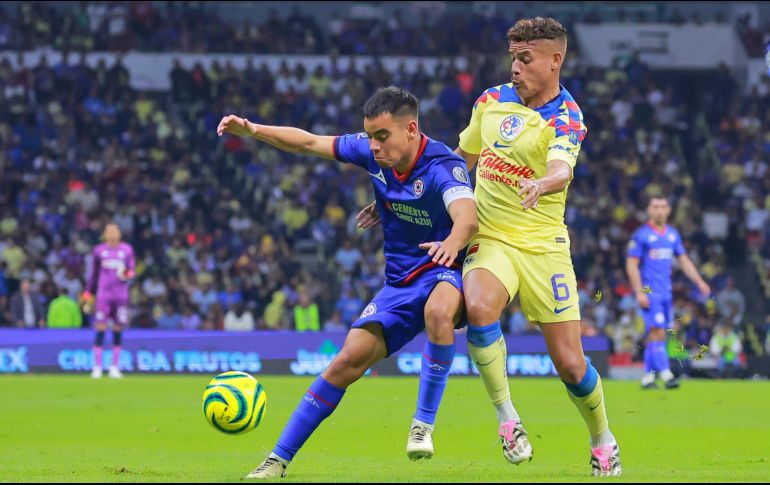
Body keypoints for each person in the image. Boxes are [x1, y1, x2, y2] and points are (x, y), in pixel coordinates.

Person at [357, 17, 619, 477]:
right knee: (478, 306)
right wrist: (404, 192)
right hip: (491, 233)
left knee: (571, 364)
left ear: (555, 60)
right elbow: (460, 162)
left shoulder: (566, 117)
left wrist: (543, 182)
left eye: (526, 59)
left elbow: (563, 170)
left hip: (543, 245)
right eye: (513, 58)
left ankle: (602, 438)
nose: (515, 67)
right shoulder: (491, 101)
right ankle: (507, 419)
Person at [217, 86, 477, 479]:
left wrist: (451, 245)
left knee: (438, 311)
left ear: (411, 129)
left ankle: (422, 424)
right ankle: (277, 461)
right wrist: (252, 130)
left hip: (445, 269)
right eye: (369, 136)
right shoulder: (371, 152)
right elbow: (307, 142)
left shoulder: (442, 165)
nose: (373, 146)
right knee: (344, 362)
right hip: (399, 281)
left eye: (382, 136)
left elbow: (467, 218)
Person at [626, 196, 711, 390]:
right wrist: (639, 292)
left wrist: (699, 281)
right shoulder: (641, 235)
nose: (659, 210)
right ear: (649, 210)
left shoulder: (672, 235)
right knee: (656, 331)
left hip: (666, 293)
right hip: (650, 292)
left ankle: (648, 377)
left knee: (657, 334)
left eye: (663, 207)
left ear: (669, 210)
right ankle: (666, 374)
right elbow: (632, 265)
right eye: (655, 206)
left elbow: (684, 260)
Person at [81, 223, 135, 379]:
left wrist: (126, 274)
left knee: (118, 328)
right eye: (108, 231)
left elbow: (132, 271)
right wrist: (87, 292)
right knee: (100, 327)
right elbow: (94, 274)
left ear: (119, 234)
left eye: (114, 231)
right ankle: (97, 367)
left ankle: (114, 367)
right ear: (105, 234)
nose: (111, 234)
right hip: (103, 296)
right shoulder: (99, 251)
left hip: (121, 296)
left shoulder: (127, 250)